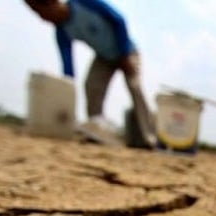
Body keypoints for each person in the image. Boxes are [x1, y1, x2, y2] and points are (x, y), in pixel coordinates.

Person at [24, 0, 156, 148]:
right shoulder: (62, 32)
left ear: (53, 4)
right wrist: (65, 95)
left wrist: (125, 54)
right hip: (104, 58)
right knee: (91, 87)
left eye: (42, 13)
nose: (43, 19)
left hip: (126, 50)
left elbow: (119, 20)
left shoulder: (85, 3)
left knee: (134, 86)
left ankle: (149, 138)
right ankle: (96, 132)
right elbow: (68, 70)